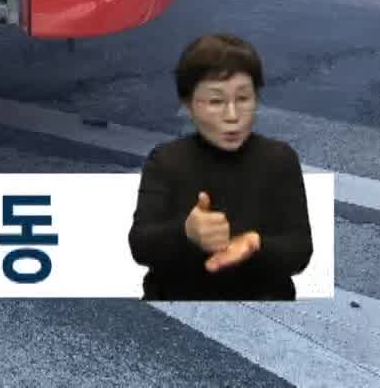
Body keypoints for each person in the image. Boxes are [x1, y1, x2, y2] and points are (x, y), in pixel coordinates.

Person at [128, 33, 314, 301]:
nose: (232, 116)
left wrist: (254, 245)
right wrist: (186, 232)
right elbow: (140, 246)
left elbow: (299, 251)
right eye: (216, 101)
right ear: (188, 104)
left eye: (243, 98)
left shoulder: (280, 160)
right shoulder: (166, 160)